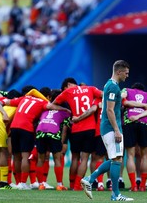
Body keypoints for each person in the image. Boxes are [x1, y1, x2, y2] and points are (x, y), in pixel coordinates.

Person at [81, 60, 133, 201]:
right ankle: (115, 194)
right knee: (117, 159)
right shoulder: (113, 87)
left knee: (116, 159)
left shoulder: (111, 85)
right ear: (119, 72)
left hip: (109, 127)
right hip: (111, 127)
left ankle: (90, 179)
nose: (127, 76)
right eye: (126, 73)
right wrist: (116, 130)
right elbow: (110, 110)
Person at [53, 78, 102, 190]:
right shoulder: (91, 88)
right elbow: (104, 95)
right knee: (84, 159)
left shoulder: (67, 92)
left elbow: (53, 104)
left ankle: (71, 185)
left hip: (75, 128)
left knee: (75, 158)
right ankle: (77, 186)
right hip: (90, 128)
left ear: (69, 84)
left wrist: (68, 112)